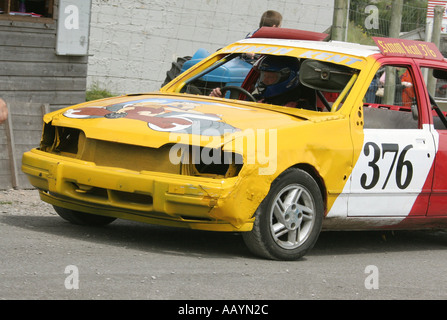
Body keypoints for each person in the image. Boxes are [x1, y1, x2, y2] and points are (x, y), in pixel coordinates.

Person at [210, 55, 316, 110]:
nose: (265, 81)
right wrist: (217, 102)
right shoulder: (257, 98)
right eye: (263, 76)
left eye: (270, 77)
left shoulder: (301, 108)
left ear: (287, 78)